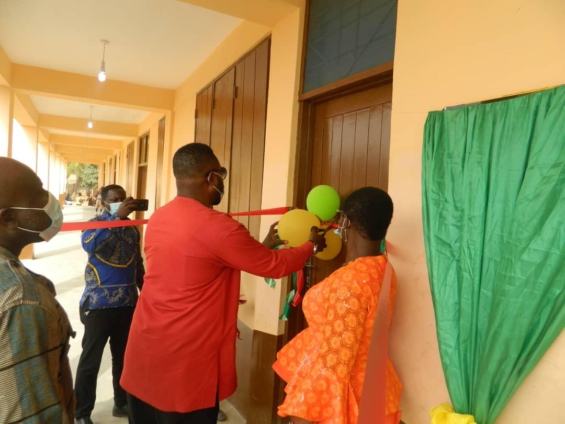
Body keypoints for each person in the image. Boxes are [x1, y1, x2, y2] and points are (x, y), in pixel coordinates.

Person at [120, 143, 327, 424]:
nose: (222, 182)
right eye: (222, 174)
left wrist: (261, 247)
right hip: (184, 363)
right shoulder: (219, 226)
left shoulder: (159, 217)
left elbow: (206, 261)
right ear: (212, 177)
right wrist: (310, 246)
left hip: (145, 347)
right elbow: (275, 266)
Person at [273, 187, 403, 424]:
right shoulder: (382, 268)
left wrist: (301, 417)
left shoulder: (350, 283)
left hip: (348, 403)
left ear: (345, 221)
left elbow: (333, 367)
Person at [0, 157, 74, 423]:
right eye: (40, 194)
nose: (51, 201)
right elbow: (31, 415)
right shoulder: (22, 299)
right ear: (9, 218)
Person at [74, 185, 145, 424]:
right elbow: (89, 245)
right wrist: (116, 218)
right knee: (90, 361)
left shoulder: (132, 229)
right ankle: (82, 412)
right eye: (115, 199)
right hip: (98, 305)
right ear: (103, 202)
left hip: (127, 304)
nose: (120, 203)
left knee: (123, 358)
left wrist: (146, 291)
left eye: (123, 199)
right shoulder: (94, 224)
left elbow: (137, 263)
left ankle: (121, 403)